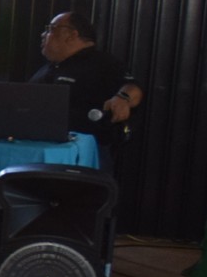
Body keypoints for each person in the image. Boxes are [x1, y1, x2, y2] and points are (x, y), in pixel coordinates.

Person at [30, 11, 144, 174]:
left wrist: (123, 98)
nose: (43, 34)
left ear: (71, 35)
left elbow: (132, 87)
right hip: (41, 149)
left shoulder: (103, 64)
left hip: (84, 153)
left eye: (51, 29)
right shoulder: (48, 68)